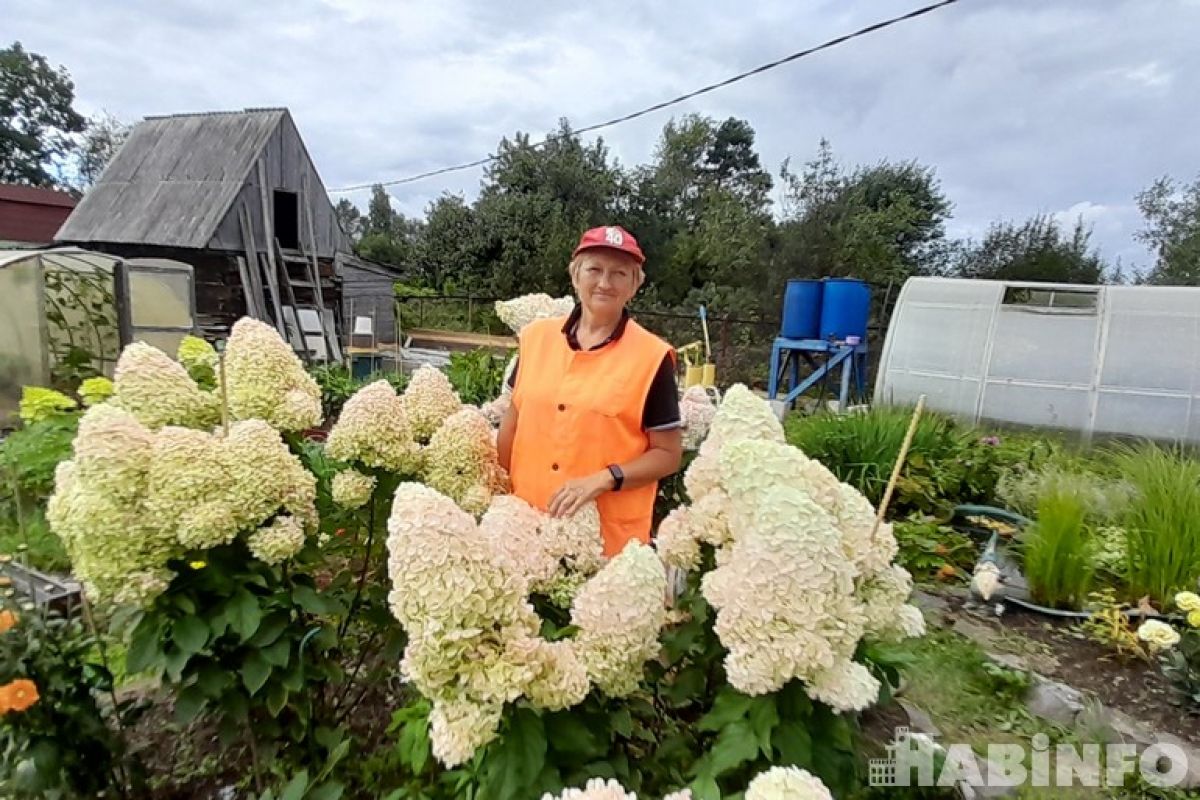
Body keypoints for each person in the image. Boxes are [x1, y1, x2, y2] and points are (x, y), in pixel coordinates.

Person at [497, 225, 683, 558]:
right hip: (526, 532)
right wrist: (499, 492)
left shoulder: (652, 357)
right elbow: (512, 423)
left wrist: (605, 478)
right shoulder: (534, 338)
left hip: (604, 542)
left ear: (635, 285)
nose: (604, 283)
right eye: (594, 269)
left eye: (619, 273)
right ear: (575, 275)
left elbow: (668, 455)